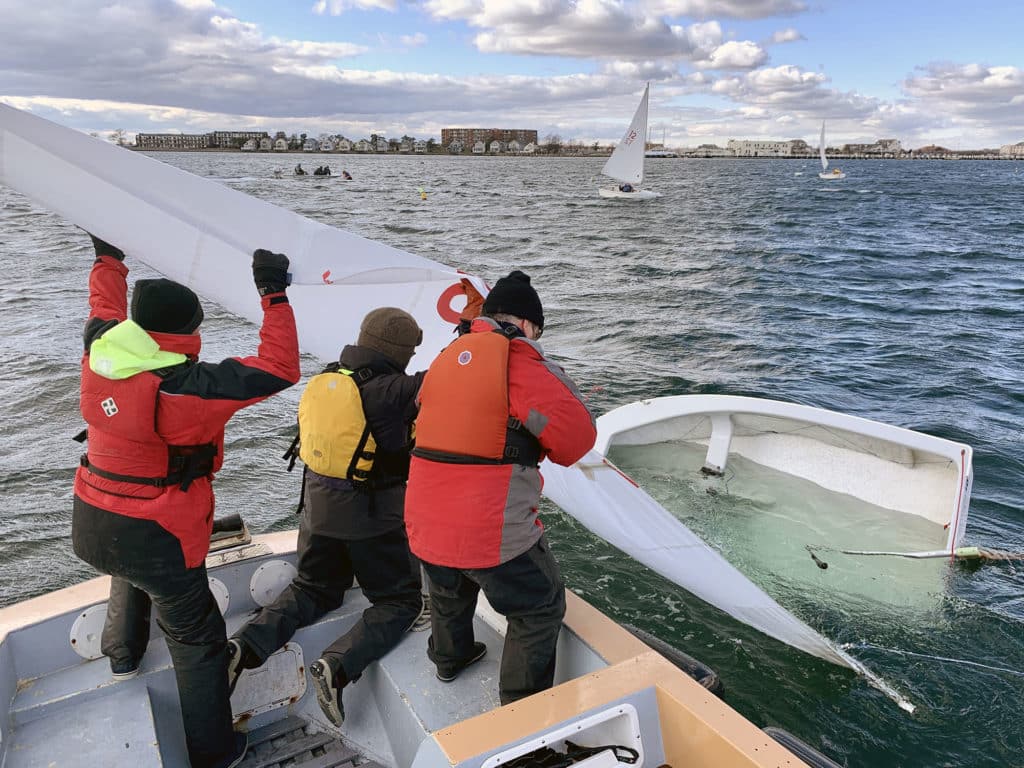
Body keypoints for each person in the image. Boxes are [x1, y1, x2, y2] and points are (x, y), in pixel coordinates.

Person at [71, 235, 300, 768]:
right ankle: (216, 753)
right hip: (161, 537)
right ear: (185, 333)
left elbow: (102, 306)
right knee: (197, 639)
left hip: (91, 517)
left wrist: (108, 259)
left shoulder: (101, 348)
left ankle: (123, 657)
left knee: (126, 562)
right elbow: (280, 367)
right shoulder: (191, 387)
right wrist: (273, 294)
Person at [227, 305, 461, 727]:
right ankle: (337, 665)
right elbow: (451, 374)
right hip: (372, 520)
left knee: (314, 588)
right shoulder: (392, 390)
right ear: (399, 351)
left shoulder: (330, 377)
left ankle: (244, 646)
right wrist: (470, 334)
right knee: (400, 602)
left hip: (317, 511)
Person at [404, 270, 597, 705]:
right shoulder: (521, 362)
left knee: (448, 585)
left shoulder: (447, 356)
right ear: (528, 325)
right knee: (539, 606)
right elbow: (576, 441)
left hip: (423, 520)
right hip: (489, 530)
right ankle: (519, 713)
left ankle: (449, 658)